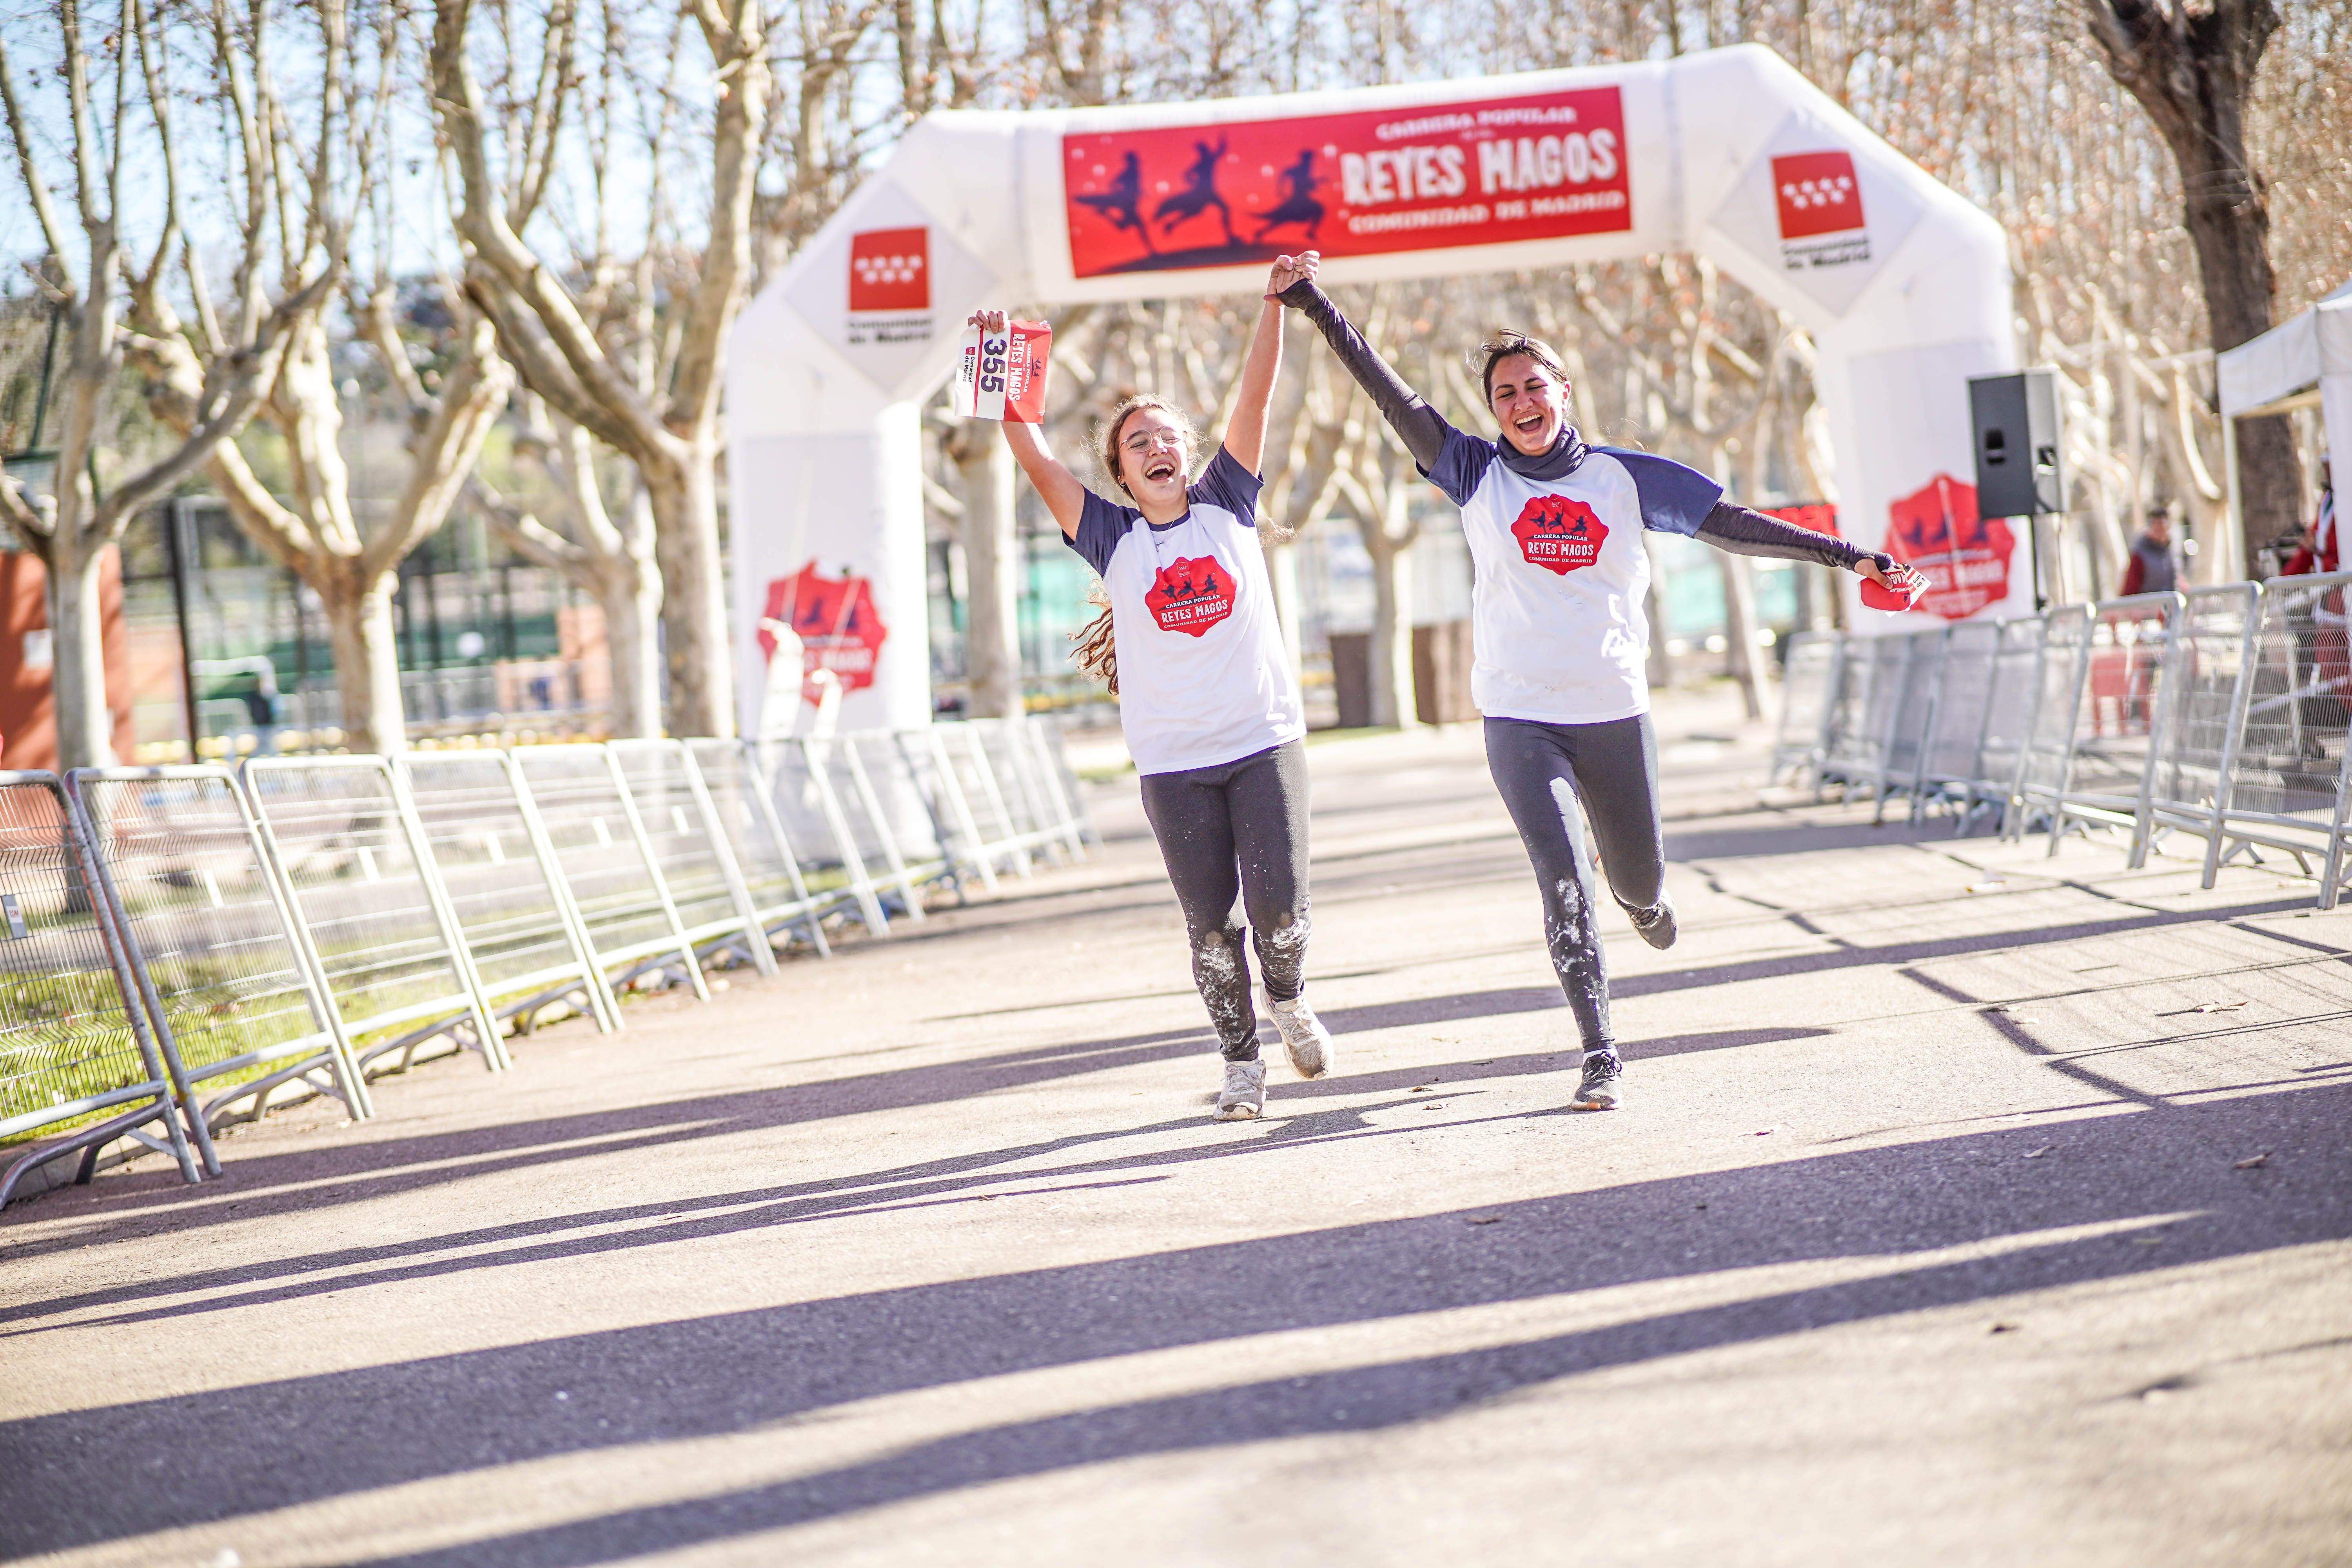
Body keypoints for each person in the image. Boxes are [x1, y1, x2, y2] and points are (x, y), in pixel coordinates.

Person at [1274, 252, 1922, 1110]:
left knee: (1635, 881)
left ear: (1564, 389)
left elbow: (1735, 526)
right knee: (1562, 877)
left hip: (1613, 708)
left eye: (1534, 387)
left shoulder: (1624, 477)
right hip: (1518, 712)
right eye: (1505, 395)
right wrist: (1311, 299)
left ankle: (1643, 901)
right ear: (1493, 410)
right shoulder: (1473, 472)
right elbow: (1388, 392)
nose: (1521, 405)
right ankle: (1601, 1049)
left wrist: (1851, 557)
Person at [972, 256, 1330, 1122]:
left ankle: (1286, 994)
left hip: (1263, 739)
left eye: (1169, 436)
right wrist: (996, 360)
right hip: (1175, 764)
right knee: (1211, 930)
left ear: (1191, 452)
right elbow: (1029, 446)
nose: (1159, 448)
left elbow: (1257, 396)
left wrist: (1274, 303)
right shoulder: (1110, 536)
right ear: (1121, 474)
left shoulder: (1228, 505)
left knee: (1279, 914)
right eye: (1140, 443)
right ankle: (1240, 1062)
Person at [2120, 507, 2179, 596]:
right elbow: (2131, 588)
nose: (2161, 532)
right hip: (2148, 606)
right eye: (2158, 527)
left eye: (2163, 528)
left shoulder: (2171, 552)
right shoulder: (2140, 555)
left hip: (2169, 604)